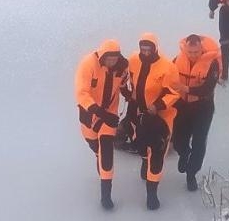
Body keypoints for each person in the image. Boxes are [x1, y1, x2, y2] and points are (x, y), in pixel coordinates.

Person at [124, 33, 181, 210]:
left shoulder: (167, 67)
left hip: (161, 117)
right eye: (143, 48)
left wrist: (157, 106)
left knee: (157, 155)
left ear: (155, 48)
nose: (145, 51)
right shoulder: (133, 60)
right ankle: (143, 160)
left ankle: (152, 193)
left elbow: (174, 92)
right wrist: (126, 94)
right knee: (139, 143)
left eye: (149, 48)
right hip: (139, 113)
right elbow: (125, 78)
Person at [75, 39, 129, 210]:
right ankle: (98, 154)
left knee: (106, 150)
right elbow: (81, 93)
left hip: (109, 115)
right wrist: (99, 113)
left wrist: (129, 94)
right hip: (90, 113)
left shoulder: (122, 67)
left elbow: (122, 85)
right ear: (102, 56)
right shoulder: (88, 64)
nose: (112, 61)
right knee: (94, 145)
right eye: (109, 58)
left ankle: (106, 196)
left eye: (115, 58)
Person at [172, 34, 221, 192]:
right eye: (190, 52)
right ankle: (184, 152)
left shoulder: (212, 64)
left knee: (199, 142)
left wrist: (186, 89)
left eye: (196, 52)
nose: (193, 56)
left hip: (203, 107)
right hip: (181, 106)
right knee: (178, 139)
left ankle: (191, 174)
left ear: (201, 49)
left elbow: (208, 88)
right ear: (185, 49)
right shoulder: (176, 61)